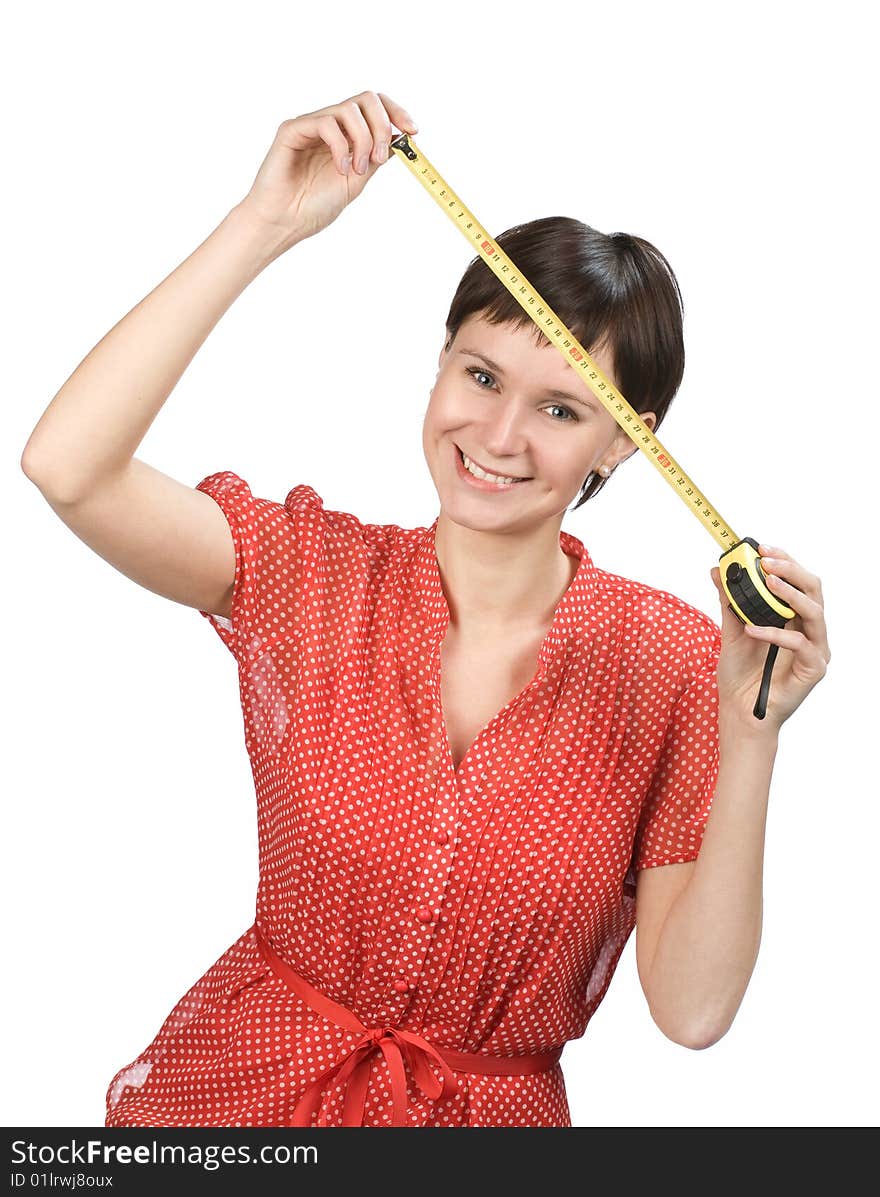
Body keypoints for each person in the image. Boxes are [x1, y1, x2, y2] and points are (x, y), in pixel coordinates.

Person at [21, 90, 830, 1128]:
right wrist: (264, 223)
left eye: (559, 407)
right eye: (479, 374)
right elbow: (67, 466)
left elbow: (693, 1009)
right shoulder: (308, 576)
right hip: (240, 1104)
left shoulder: (672, 664)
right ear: (439, 363)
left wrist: (753, 735)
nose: (497, 435)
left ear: (627, 440)